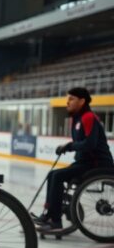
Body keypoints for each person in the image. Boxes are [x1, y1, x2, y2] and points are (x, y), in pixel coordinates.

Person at [35, 87, 113, 233]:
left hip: (98, 164)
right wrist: (69, 147)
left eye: (71, 99)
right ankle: (48, 214)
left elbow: (90, 144)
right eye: (67, 99)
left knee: (57, 176)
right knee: (52, 174)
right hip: (86, 163)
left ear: (82, 101)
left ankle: (55, 221)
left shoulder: (88, 117)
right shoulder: (77, 119)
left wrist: (69, 146)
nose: (67, 102)